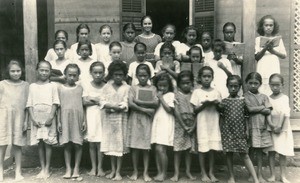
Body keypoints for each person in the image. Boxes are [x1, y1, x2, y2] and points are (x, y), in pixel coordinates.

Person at [219, 75, 259, 183]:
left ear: (240, 87)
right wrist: (221, 132)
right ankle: (231, 177)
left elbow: (247, 117)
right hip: (227, 132)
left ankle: (255, 178)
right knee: (229, 154)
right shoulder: (224, 102)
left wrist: (246, 131)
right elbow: (221, 118)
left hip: (240, 131)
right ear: (227, 86)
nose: (233, 89)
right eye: (231, 86)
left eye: (235, 86)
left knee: (244, 154)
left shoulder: (242, 101)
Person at [27, 61, 59, 179]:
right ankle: (42, 167)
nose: (44, 72)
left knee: (48, 142)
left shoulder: (52, 86)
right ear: (37, 70)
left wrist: (51, 117)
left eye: (46, 70)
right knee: (40, 143)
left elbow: (55, 102)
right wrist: (33, 118)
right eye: (42, 70)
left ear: (50, 72)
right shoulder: (32, 86)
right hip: (36, 117)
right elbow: (29, 103)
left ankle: (47, 168)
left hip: (48, 116)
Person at [127, 64, 159, 182]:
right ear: (136, 76)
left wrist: (138, 102)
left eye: (145, 75)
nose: (142, 78)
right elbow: (131, 104)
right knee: (135, 147)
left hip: (147, 121)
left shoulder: (153, 89)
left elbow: (155, 103)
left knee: (146, 148)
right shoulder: (133, 88)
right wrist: (145, 109)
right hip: (135, 118)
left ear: (149, 76)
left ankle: (145, 172)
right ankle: (135, 171)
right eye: (140, 76)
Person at [190, 66, 222, 182]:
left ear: (212, 78)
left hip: (213, 123)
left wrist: (216, 104)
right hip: (202, 123)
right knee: (203, 149)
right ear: (200, 78)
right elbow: (194, 110)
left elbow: (221, 109)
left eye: (209, 76)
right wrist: (204, 105)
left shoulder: (217, 92)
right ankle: (203, 172)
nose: (207, 79)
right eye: (204, 76)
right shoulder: (197, 92)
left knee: (212, 148)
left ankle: (211, 172)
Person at [101, 61, 130, 181]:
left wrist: (119, 107)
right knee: (111, 145)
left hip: (121, 119)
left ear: (124, 75)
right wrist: (111, 106)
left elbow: (126, 101)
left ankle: (118, 171)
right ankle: (112, 170)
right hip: (109, 119)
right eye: (115, 74)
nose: (118, 77)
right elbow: (102, 101)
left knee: (119, 144)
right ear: (112, 74)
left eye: (121, 75)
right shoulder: (106, 86)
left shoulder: (127, 87)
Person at [0, 60, 29, 181]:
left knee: (17, 145)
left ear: (21, 71)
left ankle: (18, 172)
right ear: (8, 72)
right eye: (13, 71)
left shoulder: (25, 85)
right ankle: (0, 171)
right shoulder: (2, 84)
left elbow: (28, 105)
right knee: (2, 144)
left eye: (18, 71)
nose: (16, 73)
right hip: (4, 116)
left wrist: (26, 121)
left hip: (19, 117)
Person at [57, 64, 86, 181]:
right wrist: (59, 121)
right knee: (67, 144)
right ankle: (68, 168)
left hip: (77, 118)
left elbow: (83, 106)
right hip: (64, 118)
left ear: (78, 76)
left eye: (75, 75)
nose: (72, 77)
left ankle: (76, 168)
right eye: (70, 75)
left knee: (77, 144)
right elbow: (58, 107)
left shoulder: (80, 89)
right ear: (65, 75)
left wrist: (84, 120)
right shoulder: (60, 88)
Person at [244, 72, 273, 182]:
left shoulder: (264, 97)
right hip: (251, 126)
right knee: (251, 150)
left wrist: (258, 109)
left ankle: (259, 174)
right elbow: (249, 110)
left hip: (262, 127)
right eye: (250, 83)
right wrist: (262, 108)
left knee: (260, 151)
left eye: (256, 83)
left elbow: (268, 110)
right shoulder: (245, 96)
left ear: (260, 84)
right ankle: (251, 174)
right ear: (247, 83)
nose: (253, 85)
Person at [266, 74, 294, 183]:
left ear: (282, 85)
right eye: (273, 85)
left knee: (282, 152)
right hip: (271, 126)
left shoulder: (285, 98)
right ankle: (272, 175)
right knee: (271, 152)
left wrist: (279, 126)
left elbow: (284, 112)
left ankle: (283, 175)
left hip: (283, 127)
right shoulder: (267, 98)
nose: (275, 87)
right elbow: (267, 112)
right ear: (269, 85)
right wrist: (272, 125)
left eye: (277, 85)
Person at [171, 70, 196, 182]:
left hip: (191, 124)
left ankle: (188, 171)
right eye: (183, 83)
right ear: (179, 84)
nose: (186, 85)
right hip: (180, 124)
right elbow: (176, 111)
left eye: (188, 83)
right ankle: (176, 173)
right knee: (178, 150)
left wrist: (193, 127)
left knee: (188, 150)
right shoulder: (176, 95)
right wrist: (183, 125)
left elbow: (197, 111)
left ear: (192, 83)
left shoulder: (194, 94)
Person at [82, 61, 106, 177]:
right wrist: (98, 101)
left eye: (100, 73)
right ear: (91, 73)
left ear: (104, 73)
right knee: (92, 143)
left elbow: (106, 102)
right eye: (95, 72)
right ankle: (93, 167)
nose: (98, 75)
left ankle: (100, 168)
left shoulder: (106, 86)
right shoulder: (87, 85)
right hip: (91, 116)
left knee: (100, 142)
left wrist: (93, 99)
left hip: (102, 117)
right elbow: (84, 101)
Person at [151, 73, 175, 182]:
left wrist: (161, 98)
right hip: (157, 122)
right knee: (156, 148)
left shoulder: (170, 95)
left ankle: (164, 173)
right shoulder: (156, 94)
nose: (162, 88)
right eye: (160, 86)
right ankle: (159, 171)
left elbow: (169, 109)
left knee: (162, 149)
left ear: (168, 86)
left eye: (164, 86)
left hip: (166, 122)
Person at [255, 15, 286, 95]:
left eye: (271, 25)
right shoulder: (258, 40)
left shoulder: (278, 39)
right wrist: (265, 48)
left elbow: (284, 55)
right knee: (262, 86)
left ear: (274, 27)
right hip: (263, 65)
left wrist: (273, 51)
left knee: (273, 83)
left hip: (273, 65)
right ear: (262, 26)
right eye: (266, 25)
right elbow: (256, 57)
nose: (268, 27)